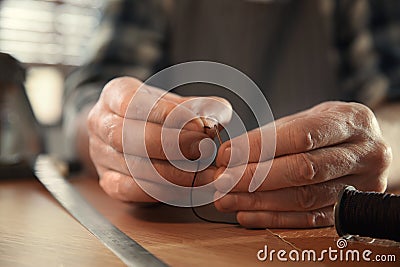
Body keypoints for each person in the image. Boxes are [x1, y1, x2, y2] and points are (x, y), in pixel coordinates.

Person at [64, 0, 400, 228]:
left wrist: (368, 145)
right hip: (169, 236)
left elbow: (393, 106)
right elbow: (91, 100)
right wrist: (111, 130)